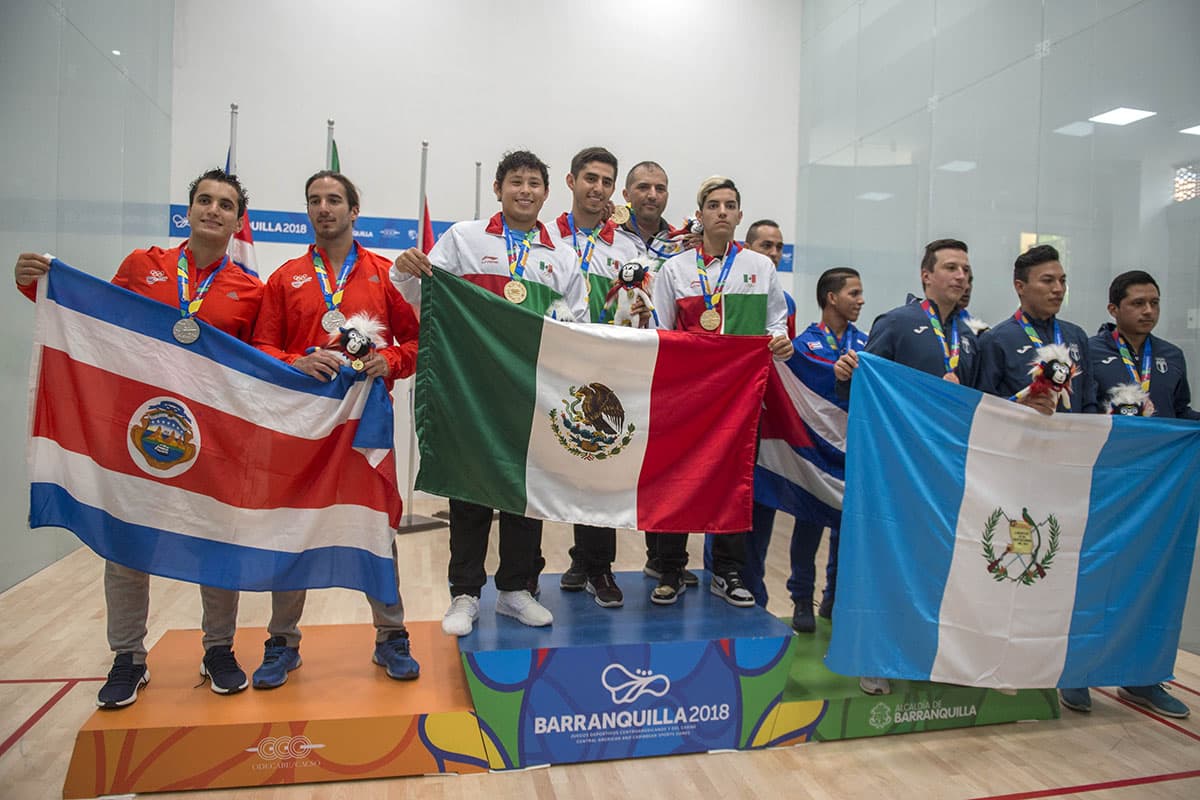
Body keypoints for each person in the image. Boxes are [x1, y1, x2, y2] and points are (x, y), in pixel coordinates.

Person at [13, 169, 263, 706]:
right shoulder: (142, 266)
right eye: (204, 200)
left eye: (225, 204)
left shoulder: (251, 291)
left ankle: (218, 648)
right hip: (141, 435)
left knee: (218, 546)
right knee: (126, 545)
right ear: (189, 209)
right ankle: (128, 657)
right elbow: (90, 320)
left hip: (214, 444)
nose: (213, 210)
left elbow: (262, 365)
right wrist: (35, 282)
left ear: (238, 221)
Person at [391, 150, 585, 637]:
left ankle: (516, 590)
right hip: (472, 390)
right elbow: (423, 297)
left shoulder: (560, 255)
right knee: (471, 492)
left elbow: (577, 322)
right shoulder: (464, 238)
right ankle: (466, 593)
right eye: (515, 182)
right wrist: (403, 270)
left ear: (546, 193)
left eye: (534, 183)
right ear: (497, 188)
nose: (525, 191)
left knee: (527, 492)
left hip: (531, 395)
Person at [250, 170, 420, 687]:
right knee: (292, 527)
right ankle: (282, 642)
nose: (324, 208)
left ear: (353, 210)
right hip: (300, 427)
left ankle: (391, 635)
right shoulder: (284, 278)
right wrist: (295, 361)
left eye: (333, 200)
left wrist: (389, 361)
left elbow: (416, 344)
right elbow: (261, 348)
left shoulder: (385, 274)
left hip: (365, 425)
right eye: (314, 201)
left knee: (375, 526)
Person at [833, 238, 983, 695]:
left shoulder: (975, 336)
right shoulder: (897, 322)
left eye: (965, 270)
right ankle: (875, 658)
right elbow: (863, 386)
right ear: (926, 275)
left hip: (949, 470)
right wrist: (846, 374)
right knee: (886, 563)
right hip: (899, 469)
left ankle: (928, 652)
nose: (960, 277)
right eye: (951, 268)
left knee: (937, 563)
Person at [648, 175, 793, 607]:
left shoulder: (760, 267)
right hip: (687, 401)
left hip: (741, 400)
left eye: (730, 205)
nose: (723, 211)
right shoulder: (674, 270)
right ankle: (670, 568)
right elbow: (661, 331)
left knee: (734, 483)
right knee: (678, 481)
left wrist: (780, 343)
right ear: (701, 214)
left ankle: (727, 572)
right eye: (714, 205)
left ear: (740, 215)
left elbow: (775, 324)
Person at [1070, 270, 1195, 719]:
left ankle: (1141, 678)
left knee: (1147, 581)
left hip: (1157, 491)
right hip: (1103, 484)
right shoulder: (1088, 349)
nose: (1148, 311)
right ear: (1113, 310)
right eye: (1138, 303)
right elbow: (1080, 411)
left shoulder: (1172, 356)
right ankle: (1075, 673)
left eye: (1154, 303)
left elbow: (1180, 414)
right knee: (1091, 577)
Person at [546, 147, 641, 608]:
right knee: (543, 466)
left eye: (606, 180)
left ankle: (595, 565)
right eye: (590, 178)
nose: (597, 188)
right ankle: (525, 574)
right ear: (570, 181)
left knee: (599, 469)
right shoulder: (542, 238)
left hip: (606, 375)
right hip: (549, 369)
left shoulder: (628, 249)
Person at [750, 267, 866, 632]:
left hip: (855, 451)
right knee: (810, 519)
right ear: (832, 298)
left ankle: (835, 595)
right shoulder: (802, 346)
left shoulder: (867, 345)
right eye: (853, 293)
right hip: (813, 453)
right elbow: (787, 378)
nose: (861, 300)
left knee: (846, 526)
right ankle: (801, 596)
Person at [977, 244, 1098, 414]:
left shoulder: (1076, 336)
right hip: (1021, 437)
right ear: (1020, 287)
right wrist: (1019, 406)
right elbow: (983, 405)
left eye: (1062, 281)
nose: (1058, 289)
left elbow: (1089, 402)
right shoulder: (996, 340)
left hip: (1071, 438)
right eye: (1047, 281)